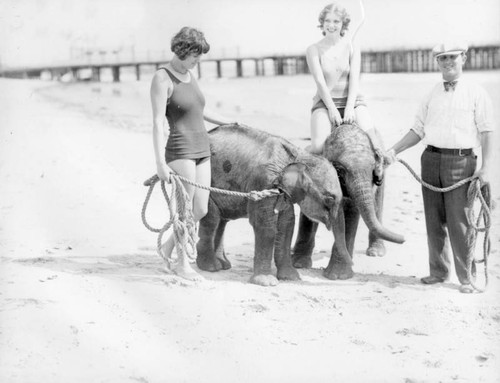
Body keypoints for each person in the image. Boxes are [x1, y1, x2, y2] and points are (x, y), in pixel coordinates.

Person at [385, 42, 494, 293]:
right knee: (434, 221)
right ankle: (438, 271)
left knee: (461, 222)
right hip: (430, 159)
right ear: (437, 62)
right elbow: (417, 130)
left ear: (463, 58)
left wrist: (486, 168)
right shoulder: (431, 93)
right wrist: (393, 151)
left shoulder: (476, 92)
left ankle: (467, 278)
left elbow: (487, 132)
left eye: (452, 57)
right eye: (442, 58)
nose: (447, 62)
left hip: (462, 162)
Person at [150, 26, 234, 281]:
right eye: (196, 55)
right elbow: (156, 123)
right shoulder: (162, 78)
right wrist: (160, 164)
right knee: (184, 211)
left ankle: (167, 250)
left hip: (202, 149)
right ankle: (182, 265)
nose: (199, 61)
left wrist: (230, 123)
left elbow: (199, 112)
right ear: (184, 50)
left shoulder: (189, 74)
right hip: (180, 150)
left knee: (200, 209)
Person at [306, 2, 385, 176]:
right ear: (322, 22)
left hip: (353, 101)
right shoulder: (313, 50)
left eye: (336, 21)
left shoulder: (352, 46)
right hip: (324, 103)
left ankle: (378, 171)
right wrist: (332, 110)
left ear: (343, 24)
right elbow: (320, 82)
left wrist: (349, 108)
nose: (331, 25)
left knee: (373, 139)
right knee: (318, 147)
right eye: (328, 20)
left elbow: (355, 80)